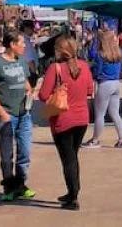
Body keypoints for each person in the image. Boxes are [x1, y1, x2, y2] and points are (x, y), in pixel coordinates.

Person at [39, 35, 94, 211]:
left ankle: (73, 195)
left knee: (68, 159)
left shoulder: (55, 69)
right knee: (73, 156)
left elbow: (42, 95)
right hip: (82, 118)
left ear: (60, 51)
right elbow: (89, 90)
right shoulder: (84, 66)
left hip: (62, 119)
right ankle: (72, 192)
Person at [0, 31, 35, 201]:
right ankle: (9, 187)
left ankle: (20, 184)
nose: (24, 46)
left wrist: (29, 91)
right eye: (21, 43)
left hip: (24, 114)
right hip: (6, 115)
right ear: (12, 45)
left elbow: (26, 83)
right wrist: (2, 113)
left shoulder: (21, 61)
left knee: (25, 151)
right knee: (7, 155)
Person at [83, 31, 122, 149]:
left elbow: (97, 71)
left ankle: (95, 140)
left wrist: (92, 72)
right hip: (116, 84)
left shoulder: (100, 55)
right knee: (115, 113)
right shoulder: (119, 54)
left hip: (105, 84)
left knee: (100, 114)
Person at [22, 21, 39, 88]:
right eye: (32, 28)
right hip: (29, 72)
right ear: (26, 28)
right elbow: (29, 60)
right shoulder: (25, 41)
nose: (33, 30)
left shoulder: (27, 40)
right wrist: (34, 74)